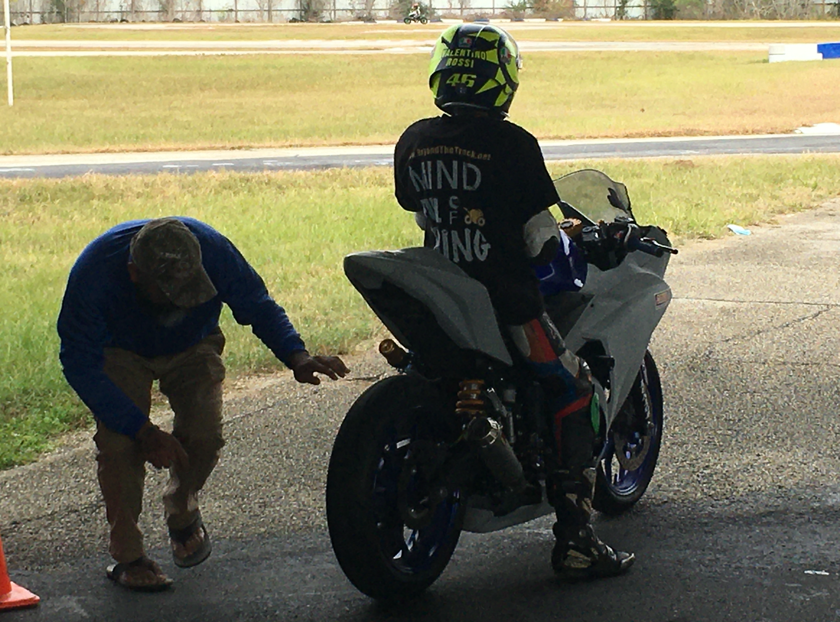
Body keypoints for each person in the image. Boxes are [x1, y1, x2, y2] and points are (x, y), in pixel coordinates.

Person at [393, 23, 634, 580]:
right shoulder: (513, 145)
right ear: (501, 80)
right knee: (576, 391)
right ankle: (576, 540)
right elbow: (539, 240)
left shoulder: (415, 140)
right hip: (507, 305)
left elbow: (424, 215)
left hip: (441, 298)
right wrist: (574, 237)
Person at [57, 217, 349, 592]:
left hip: (193, 343)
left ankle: (181, 509)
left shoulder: (212, 249)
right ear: (134, 273)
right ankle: (128, 556)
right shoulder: (94, 274)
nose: (182, 300)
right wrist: (143, 431)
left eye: (190, 289)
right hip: (119, 349)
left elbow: (257, 304)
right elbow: (79, 362)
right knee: (119, 446)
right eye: (170, 293)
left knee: (204, 435)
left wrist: (297, 355)